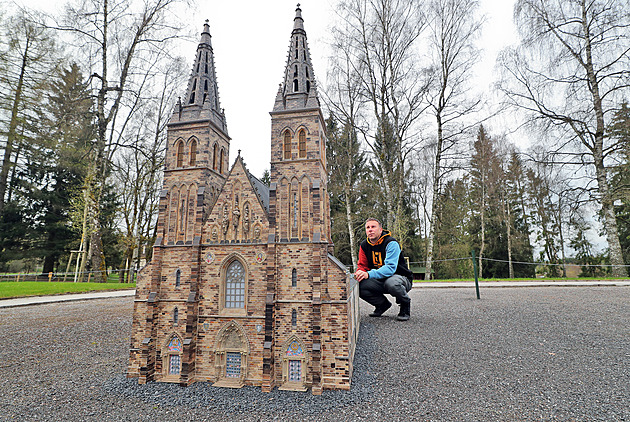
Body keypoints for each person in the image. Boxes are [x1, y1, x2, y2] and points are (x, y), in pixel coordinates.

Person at [354, 218, 414, 321]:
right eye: (368, 227)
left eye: (373, 227)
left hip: (400, 279)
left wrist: (368, 274)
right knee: (358, 284)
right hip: (380, 280)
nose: (370, 230)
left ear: (380, 230)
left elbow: (390, 268)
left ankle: (404, 304)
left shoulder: (391, 243)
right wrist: (359, 273)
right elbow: (362, 265)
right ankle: (382, 304)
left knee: (392, 283)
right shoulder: (364, 245)